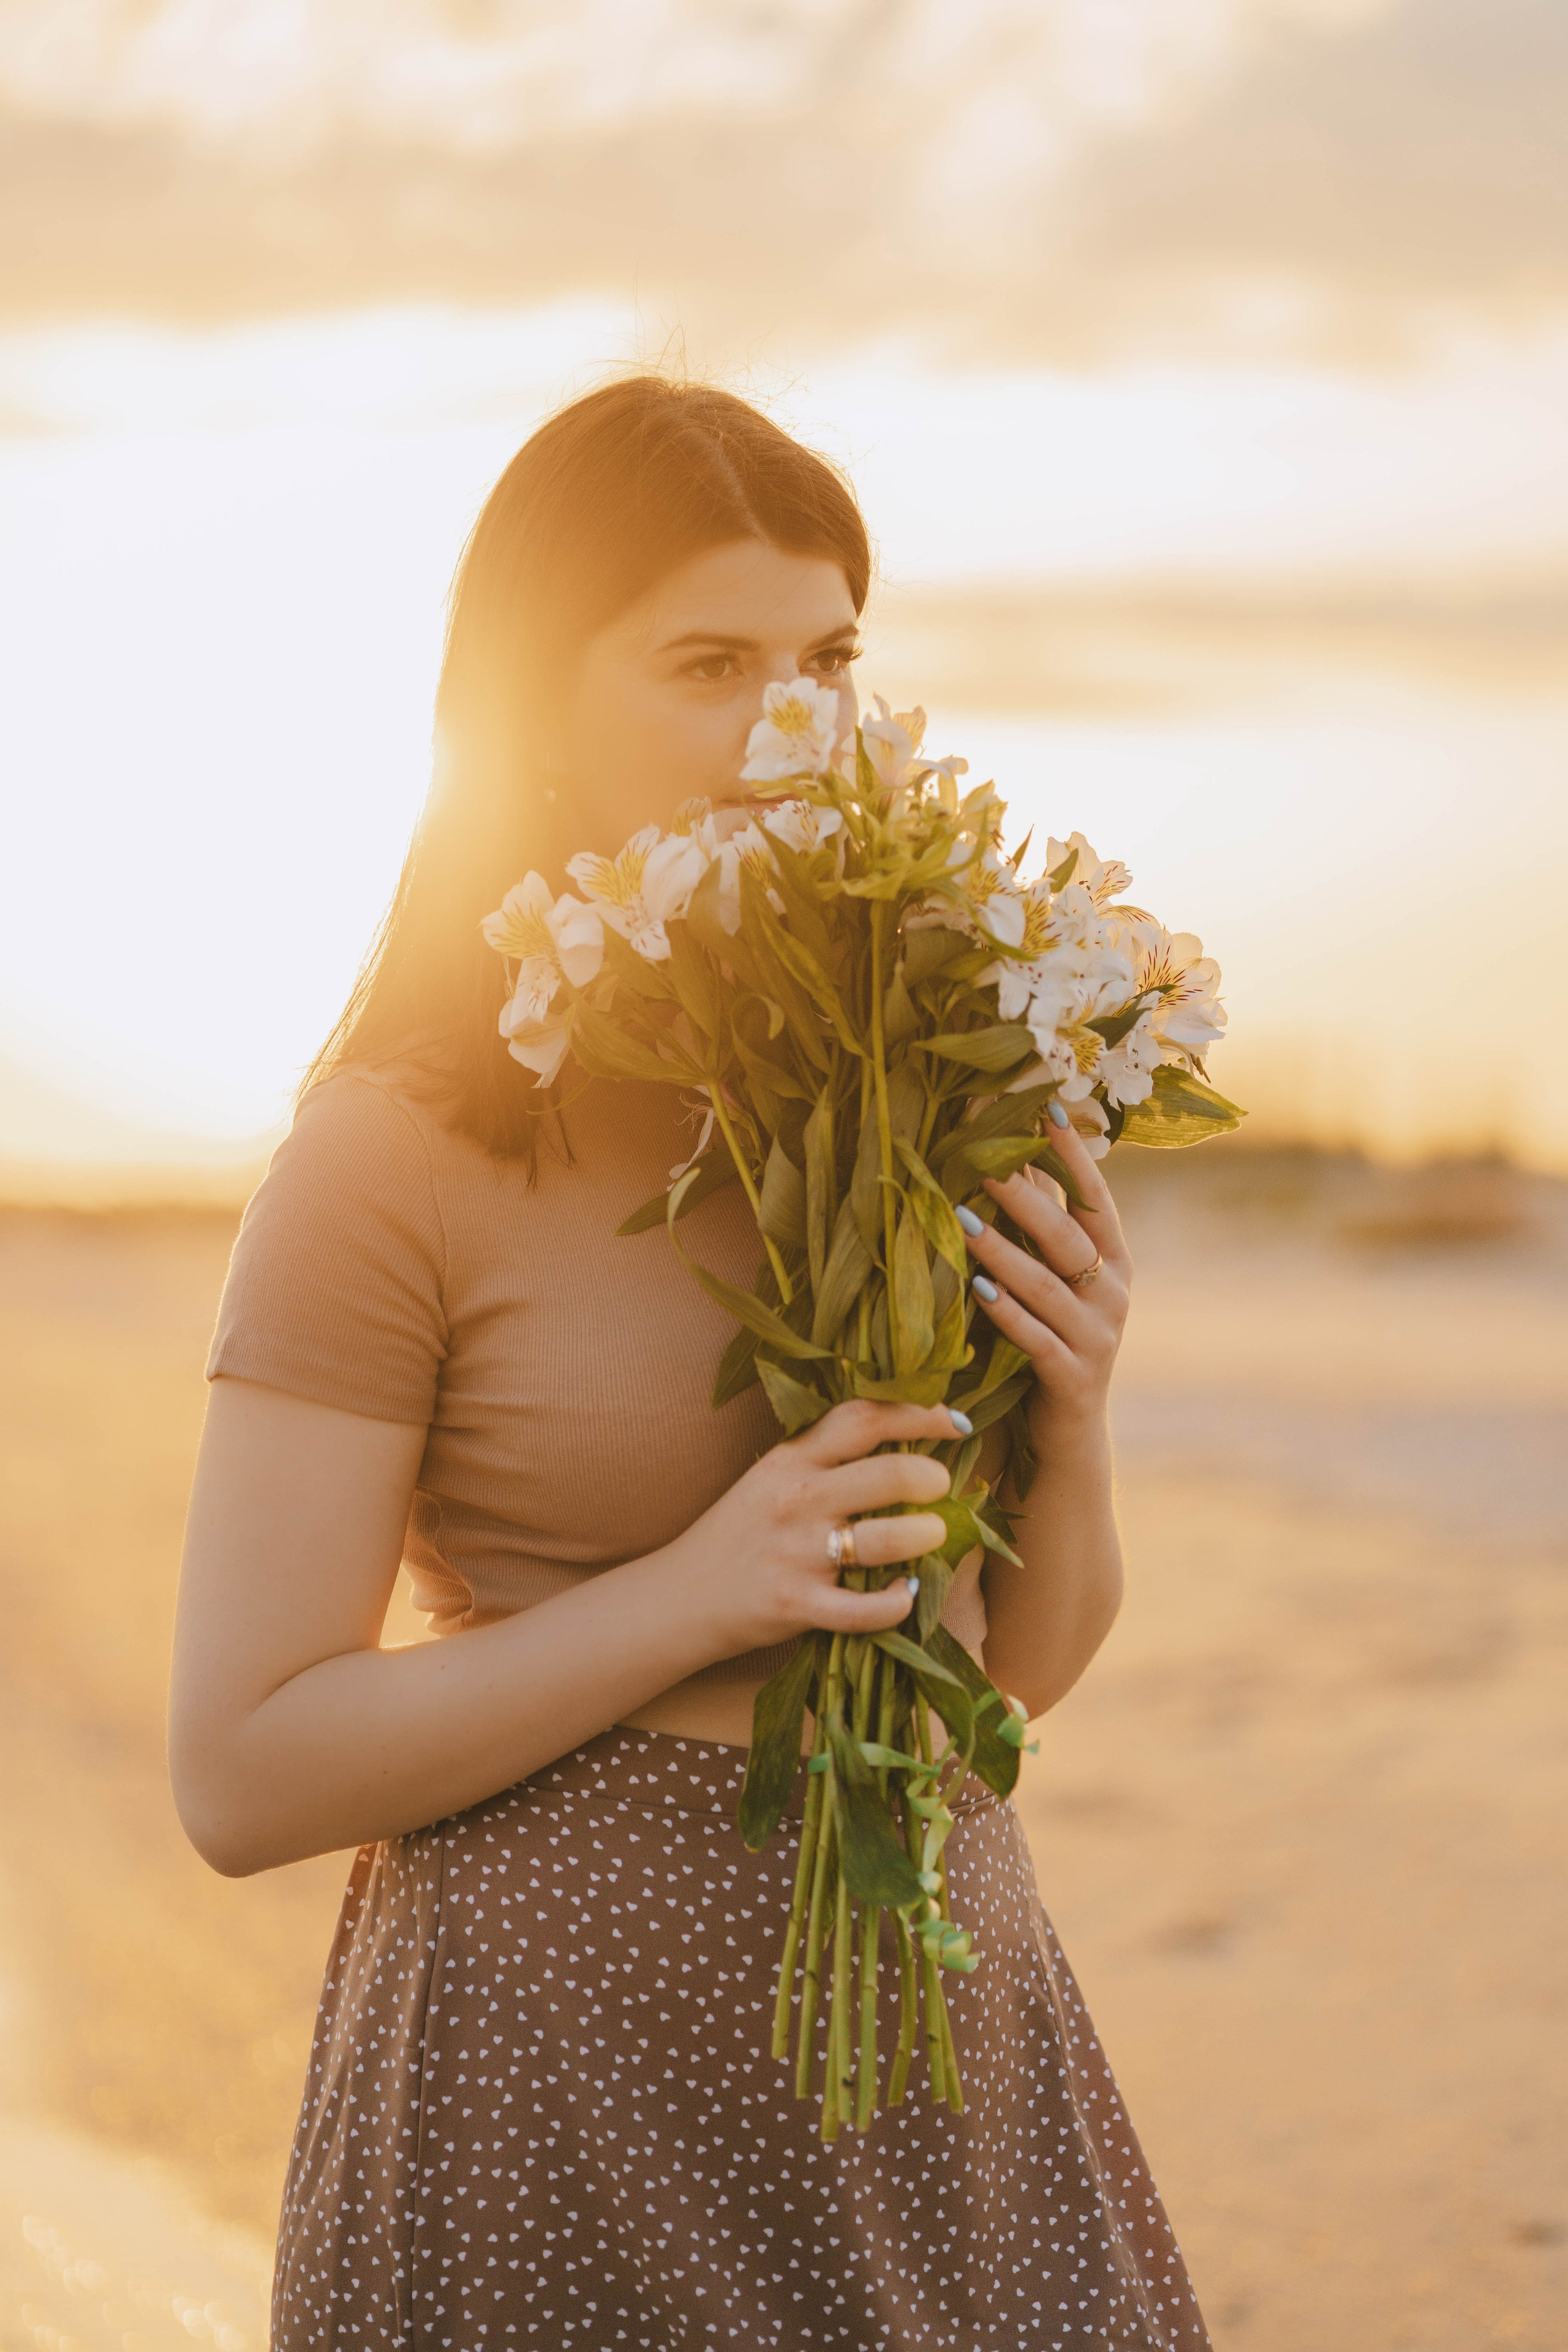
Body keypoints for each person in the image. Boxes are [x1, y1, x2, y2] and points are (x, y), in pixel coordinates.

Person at [170, 374, 1210, 2350]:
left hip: (939, 2055)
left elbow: (1014, 1667)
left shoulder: (927, 1095)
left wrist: (1070, 1420)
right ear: (535, 718)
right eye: (707, 663)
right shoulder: (394, 1154)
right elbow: (240, 1766)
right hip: (556, 2101)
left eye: (828, 656)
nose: (792, 728)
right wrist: (693, 1595)